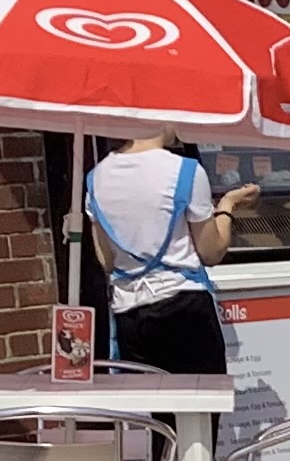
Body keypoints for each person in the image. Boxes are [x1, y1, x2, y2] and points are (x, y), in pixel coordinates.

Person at [84, 133, 256, 373]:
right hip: (184, 307)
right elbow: (211, 252)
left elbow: (107, 261)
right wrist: (227, 206)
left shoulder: (95, 179)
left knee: (151, 408)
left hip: (129, 313)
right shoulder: (186, 171)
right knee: (199, 408)